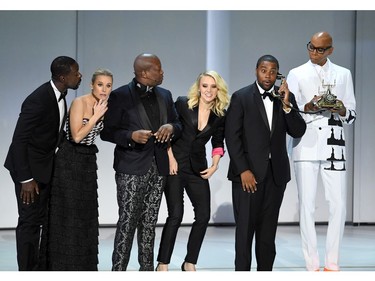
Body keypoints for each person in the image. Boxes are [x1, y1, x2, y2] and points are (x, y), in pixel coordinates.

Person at [100, 53, 182, 271]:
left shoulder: (165, 94)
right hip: (131, 168)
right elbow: (107, 132)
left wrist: (171, 128)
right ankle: (118, 271)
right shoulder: (120, 96)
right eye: (159, 68)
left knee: (149, 224)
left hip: (159, 168)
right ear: (144, 72)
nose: (163, 72)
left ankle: (146, 271)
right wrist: (131, 136)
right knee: (127, 223)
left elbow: (177, 123)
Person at [225, 54, 306, 271]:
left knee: (267, 234)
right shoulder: (241, 97)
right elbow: (232, 138)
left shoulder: (284, 98)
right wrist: (243, 170)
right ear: (256, 70)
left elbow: (298, 130)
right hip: (247, 176)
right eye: (264, 70)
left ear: (278, 74)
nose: (268, 75)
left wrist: (287, 105)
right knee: (244, 233)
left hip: (275, 176)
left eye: (273, 71)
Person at [286, 31, 357, 272]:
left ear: (330, 50)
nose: (314, 52)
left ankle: (332, 262)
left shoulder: (344, 74)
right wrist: (308, 107)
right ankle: (312, 264)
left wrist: (340, 109)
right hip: (305, 144)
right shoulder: (296, 74)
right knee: (307, 205)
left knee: (338, 204)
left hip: (335, 144)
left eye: (320, 49)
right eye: (311, 47)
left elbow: (352, 114)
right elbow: (290, 112)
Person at [3, 56, 82, 271]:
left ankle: (41, 268)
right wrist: (26, 179)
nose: (80, 75)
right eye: (76, 72)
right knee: (29, 222)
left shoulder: (61, 96)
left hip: (43, 168)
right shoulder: (38, 99)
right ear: (63, 77)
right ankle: (27, 272)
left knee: (41, 219)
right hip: (27, 171)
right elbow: (19, 140)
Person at [39, 68, 113, 270]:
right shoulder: (80, 102)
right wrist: (97, 116)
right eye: (100, 84)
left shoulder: (106, 105)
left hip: (88, 161)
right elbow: (77, 136)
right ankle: (62, 266)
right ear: (92, 85)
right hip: (68, 160)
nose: (104, 89)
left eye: (108, 85)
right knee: (67, 214)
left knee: (85, 215)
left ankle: (83, 266)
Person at [156, 70, 230, 272]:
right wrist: (170, 157)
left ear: (218, 89)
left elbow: (217, 142)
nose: (208, 90)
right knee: (176, 215)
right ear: (199, 87)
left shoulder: (219, 115)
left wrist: (215, 165)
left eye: (213, 86)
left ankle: (190, 262)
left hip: (198, 168)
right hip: (176, 166)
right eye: (205, 85)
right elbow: (168, 129)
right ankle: (163, 263)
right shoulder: (182, 103)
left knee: (204, 215)